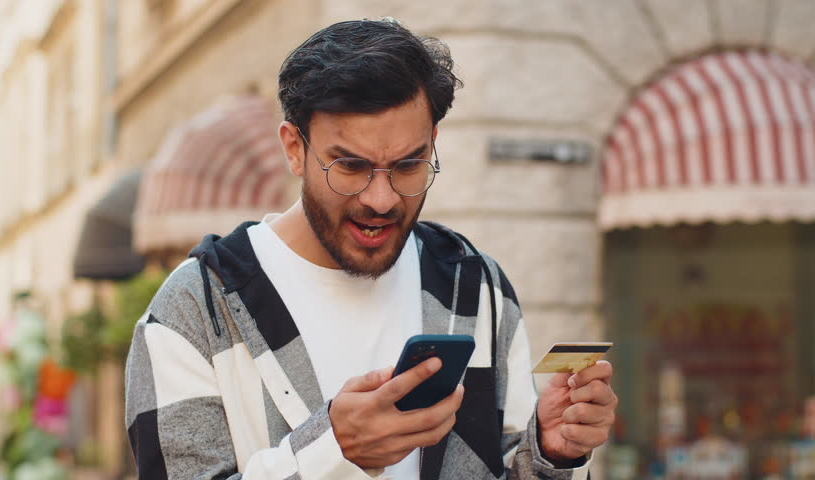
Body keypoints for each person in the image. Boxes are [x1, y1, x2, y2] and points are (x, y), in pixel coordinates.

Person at [124, 18, 617, 480]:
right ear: (294, 148)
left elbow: (507, 464)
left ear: (433, 143)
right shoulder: (193, 311)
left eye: (408, 165)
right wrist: (334, 450)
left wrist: (551, 452)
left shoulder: (475, 285)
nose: (381, 199)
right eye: (351, 167)